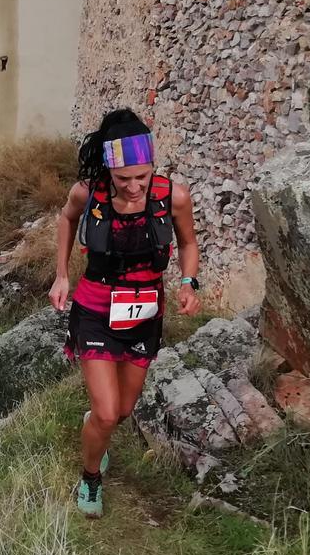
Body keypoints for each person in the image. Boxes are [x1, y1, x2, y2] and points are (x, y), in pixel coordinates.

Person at [49, 107, 201, 518]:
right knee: (106, 411)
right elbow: (66, 219)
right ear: (109, 172)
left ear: (152, 167)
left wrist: (189, 282)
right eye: (123, 179)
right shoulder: (88, 192)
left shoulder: (174, 196)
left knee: (123, 411)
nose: (134, 188)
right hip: (95, 307)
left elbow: (188, 244)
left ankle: (98, 421)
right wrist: (61, 275)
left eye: (142, 177)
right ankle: (90, 478)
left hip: (145, 311)